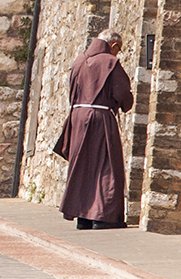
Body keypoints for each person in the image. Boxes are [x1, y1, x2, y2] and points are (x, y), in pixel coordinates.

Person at [53, 29, 133, 230]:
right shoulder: (109, 62)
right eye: (118, 49)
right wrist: (125, 103)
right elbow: (122, 92)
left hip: (77, 117)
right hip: (100, 118)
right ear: (113, 45)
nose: (117, 54)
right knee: (107, 167)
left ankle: (83, 216)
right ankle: (103, 217)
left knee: (83, 166)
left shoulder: (79, 61)